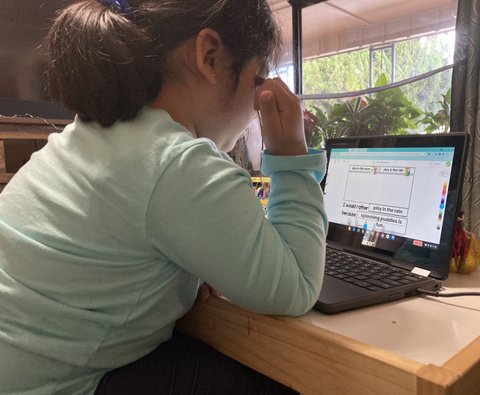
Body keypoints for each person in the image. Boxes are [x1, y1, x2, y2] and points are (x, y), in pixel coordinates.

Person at [0, 0, 328, 393]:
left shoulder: (89, 133)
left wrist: (180, 274)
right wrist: (291, 153)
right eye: (259, 81)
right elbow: (298, 287)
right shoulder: (180, 162)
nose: (255, 111)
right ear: (210, 56)